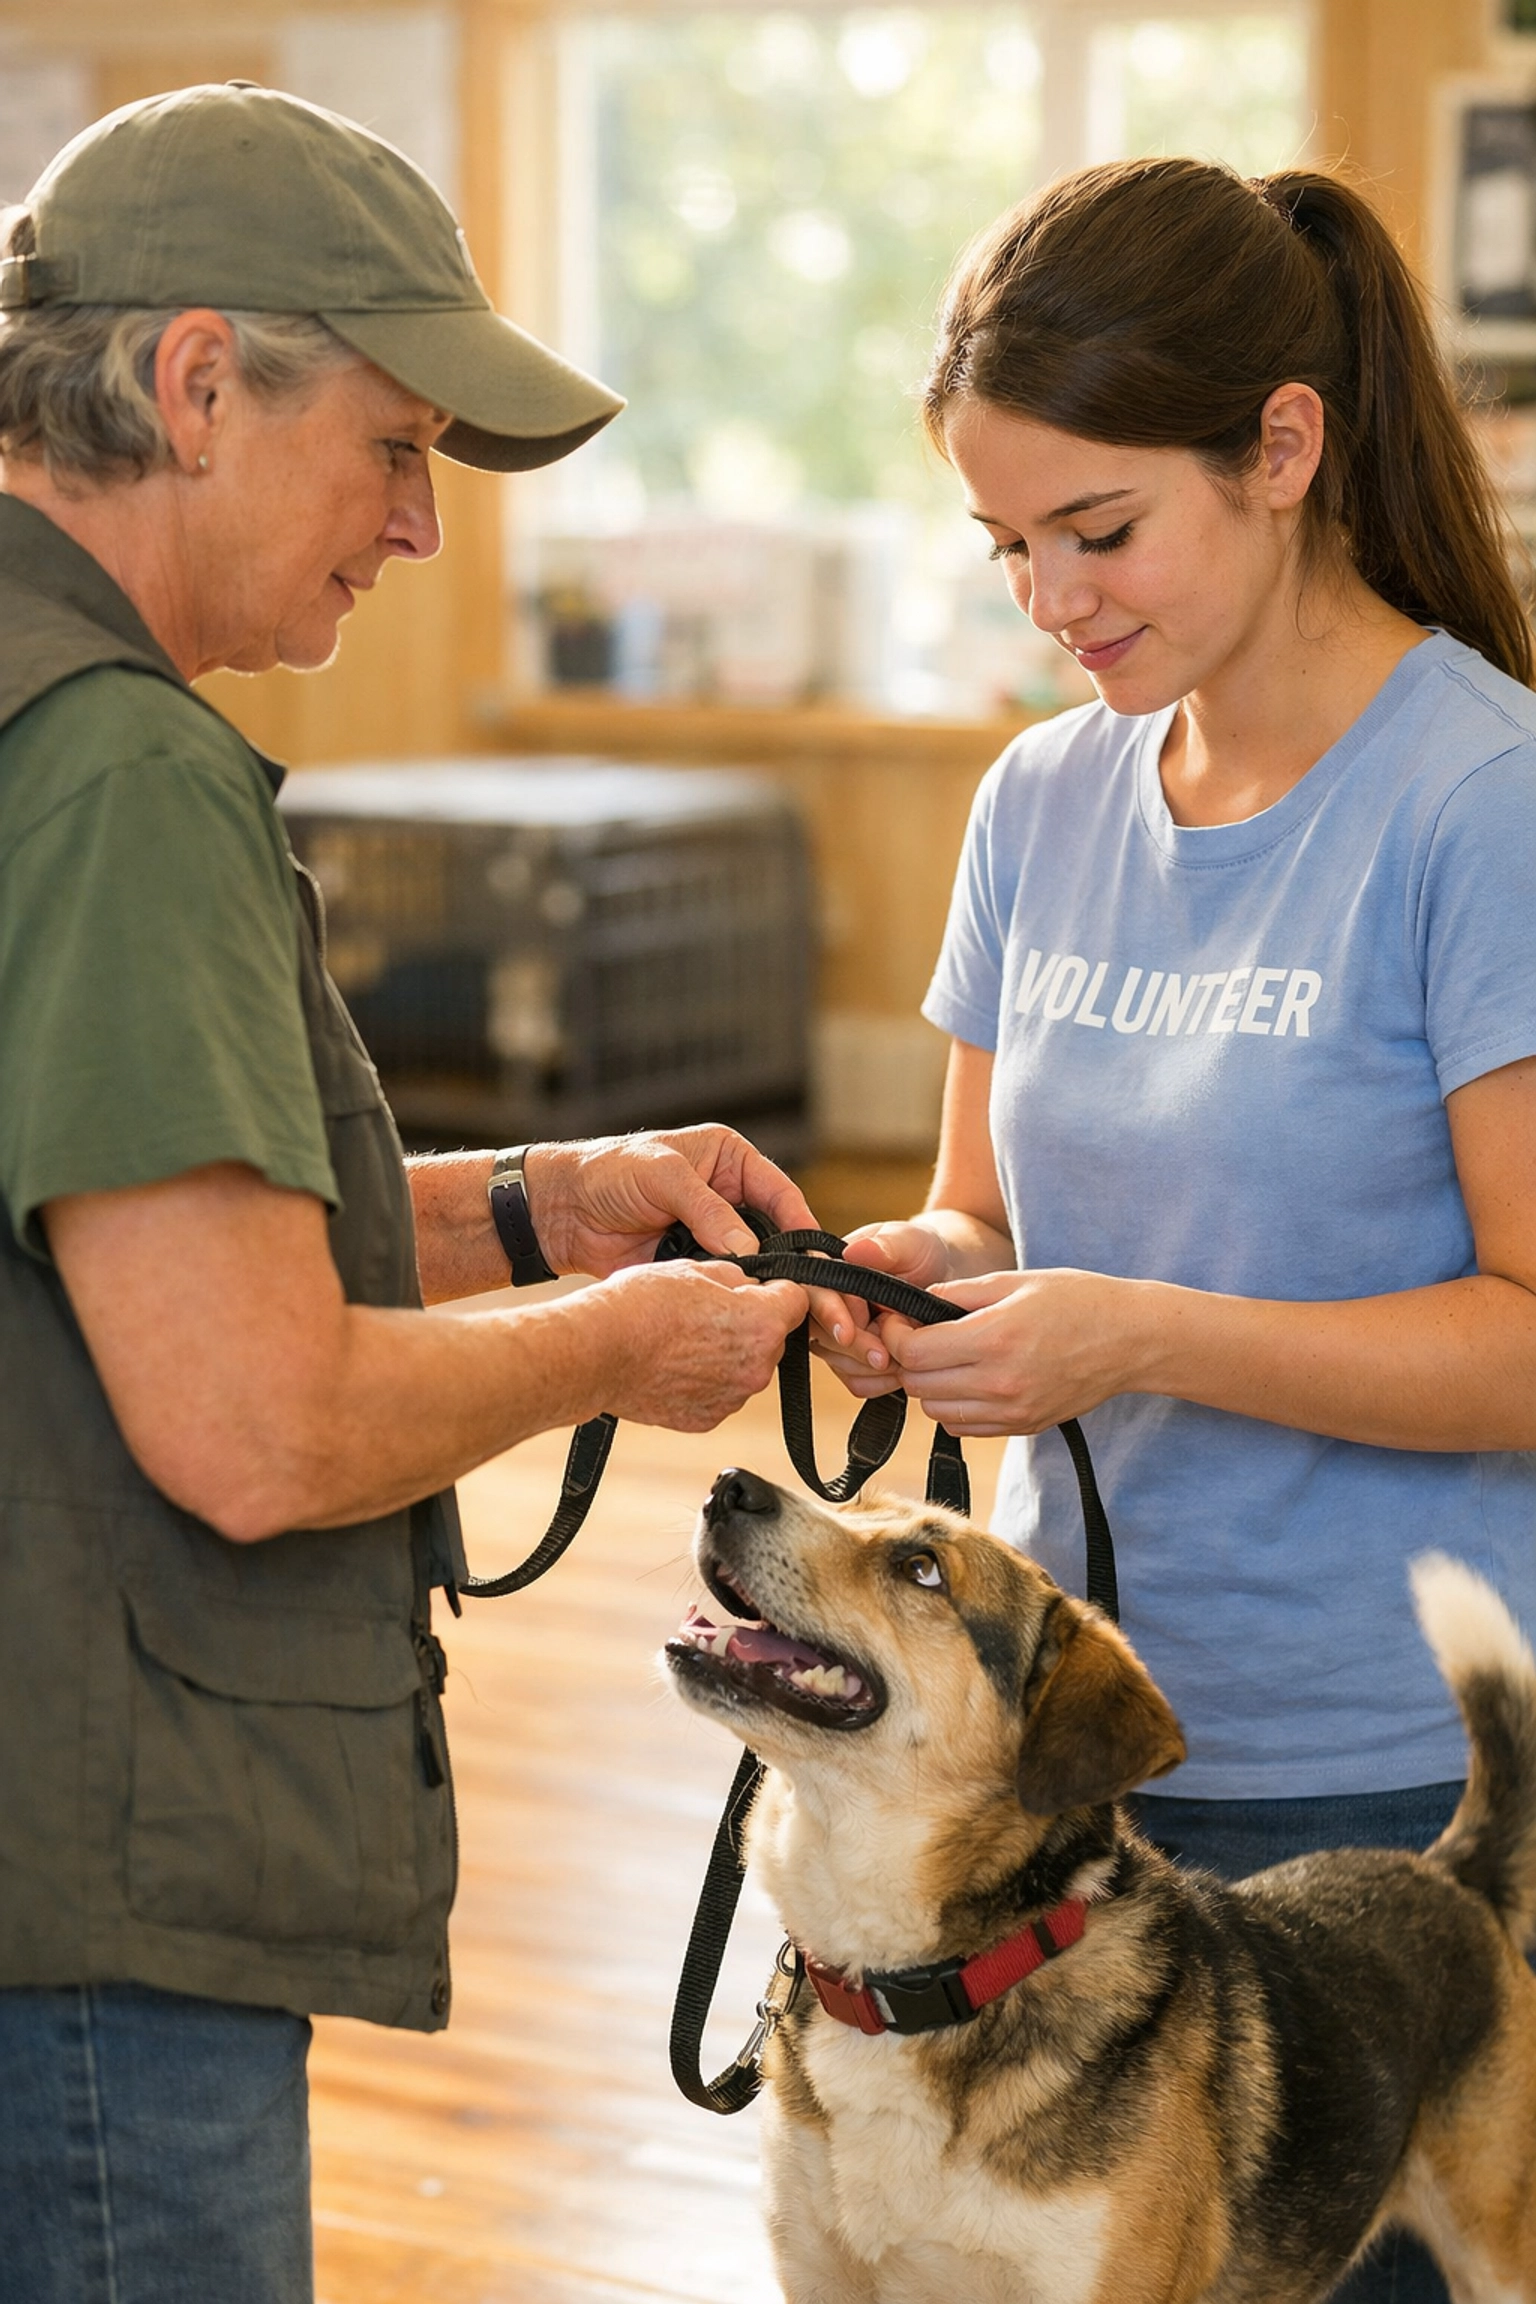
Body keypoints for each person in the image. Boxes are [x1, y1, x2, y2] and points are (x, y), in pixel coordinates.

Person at [0, 83, 821, 2304]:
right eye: (394, 448)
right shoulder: (114, 770)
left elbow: (130, 1236)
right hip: (89, 1895)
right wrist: (625, 1347)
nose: (421, 530)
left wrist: (557, 1202)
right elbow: (254, 1420)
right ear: (194, 385)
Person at [816, 159, 1536, 2304]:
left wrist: (1137, 1335)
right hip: (1074, 1785)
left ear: (1284, 448)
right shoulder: (1040, 804)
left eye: (1097, 531)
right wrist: (903, 1277)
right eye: (1007, 542)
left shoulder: (1480, 805)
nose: (1050, 595)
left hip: (1402, 1799)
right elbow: (986, 1213)